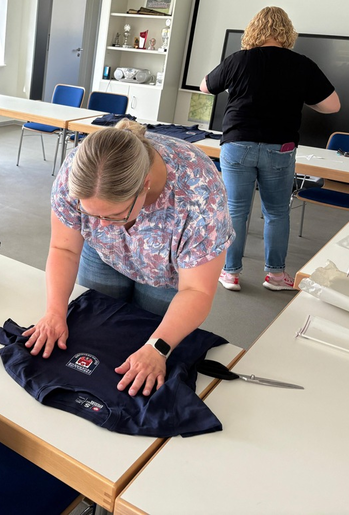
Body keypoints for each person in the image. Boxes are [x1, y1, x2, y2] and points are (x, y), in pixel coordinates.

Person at [23, 121, 233, 397]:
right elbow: (65, 249)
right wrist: (54, 312)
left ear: (145, 185)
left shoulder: (199, 190)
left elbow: (196, 289)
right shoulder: (78, 170)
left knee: (146, 348)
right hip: (103, 258)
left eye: (113, 216)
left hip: (167, 277)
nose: (103, 226)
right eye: (92, 216)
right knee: (96, 335)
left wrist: (158, 346)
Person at [201, 6, 340, 292]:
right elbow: (332, 106)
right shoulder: (301, 64)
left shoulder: (238, 60)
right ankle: (276, 277)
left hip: (238, 144)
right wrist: (303, 98)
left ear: (253, 30)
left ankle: (230, 274)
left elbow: (206, 87)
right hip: (281, 147)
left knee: (236, 211)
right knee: (277, 212)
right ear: (287, 32)